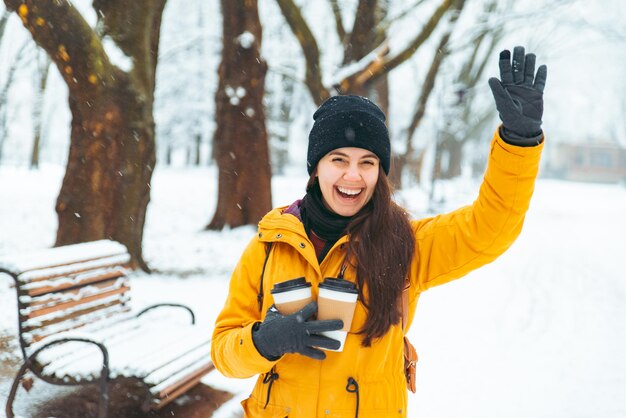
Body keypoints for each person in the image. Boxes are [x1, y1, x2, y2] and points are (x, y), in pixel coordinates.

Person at [211, 46, 547, 417]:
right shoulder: (270, 245)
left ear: (379, 172)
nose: (353, 176)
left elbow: (490, 226)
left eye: (367, 163)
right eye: (338, 159)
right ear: (316, 168)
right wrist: (263, 342)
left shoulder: (405, 245)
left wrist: (519, 143)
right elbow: (225, 355)